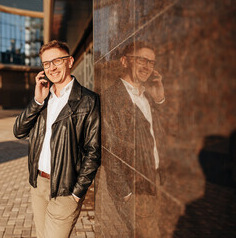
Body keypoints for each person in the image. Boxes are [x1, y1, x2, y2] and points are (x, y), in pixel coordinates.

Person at [13, 40, 101, 238]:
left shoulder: (88, 100)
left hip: (66, 189)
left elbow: (93, 150)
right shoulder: (43, 98)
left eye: (56, 61)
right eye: (46, 64)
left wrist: (77, 192)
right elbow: (19, 131)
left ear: (69, 61)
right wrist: (37, 101)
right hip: (39, 185)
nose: (51, 67)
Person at [102, 41, 166, 237]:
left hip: (154, 179)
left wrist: (160, 99)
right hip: (135, 187)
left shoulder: (147, 96)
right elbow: (108, 150)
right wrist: (125, 193)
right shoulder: (111, 98)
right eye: (142, 60)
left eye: (151, 63)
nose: (147, 67)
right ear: (124, 61)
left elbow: (167, 134)